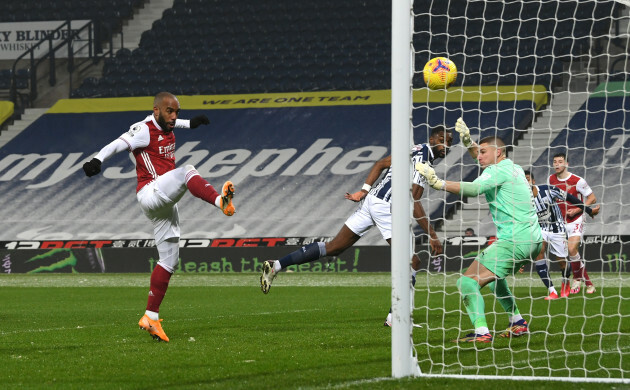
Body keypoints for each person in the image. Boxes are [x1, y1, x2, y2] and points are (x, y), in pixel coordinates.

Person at [260, 126, 453, 327]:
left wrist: (364, 191)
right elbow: (413, 199)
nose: (446, 145)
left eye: (449, 142)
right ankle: (396, 317)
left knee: (334, 246)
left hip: (371, 201)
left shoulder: (415, 149)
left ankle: (276, 265)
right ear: (432, 138)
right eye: (442, 139)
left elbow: (380, 164)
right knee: (412, 261)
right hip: (386, 206)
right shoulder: (423, 161)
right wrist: (432, 234)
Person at [82, 92, 235, 342]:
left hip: (164, 201)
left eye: (177, 112)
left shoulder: (169, 123)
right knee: (187, 171)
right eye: (169, 112)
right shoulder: (143, 129)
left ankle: (150, 317)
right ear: (156, 111)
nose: (174, 116)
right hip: (151, 191)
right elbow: (118, 143)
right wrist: (97, 159)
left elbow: (174, 123)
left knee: (169, 261)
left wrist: (191, 123)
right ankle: (221, 201)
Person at [416, 117, 542, 343]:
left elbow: (474, 189)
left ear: (499, 153)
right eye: (479, 152)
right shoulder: (512, 167)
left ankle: (482, 333)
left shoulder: (497, 171)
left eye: (484, 152)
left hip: (514, 240)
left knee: (466, 282)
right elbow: (482, 155)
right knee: (494, 278)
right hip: (532, 239)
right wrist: (468, 142)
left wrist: (438, 183)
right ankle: (517, 322)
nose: (479, 156)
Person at [524, 170, 599, 299]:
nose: (525, 182)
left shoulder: (548, 190)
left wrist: (588, 210)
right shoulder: (522, 201)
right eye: (523, 180)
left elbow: (570, 198)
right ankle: (552, 291)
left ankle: (565, 282)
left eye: (528, 179)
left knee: (562, 262)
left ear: (533, 181)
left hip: (557, 228)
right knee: (539, 251)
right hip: (540, 228)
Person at [548, 152, 598, 294]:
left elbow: (592, 198)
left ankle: (579, 279)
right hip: (560, 221)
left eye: (560, 161)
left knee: (571, 250)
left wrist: (577, 209)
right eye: (555, 162)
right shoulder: (551, 179)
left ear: (566, 164)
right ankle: (586, 282)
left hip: (576, 219)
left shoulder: (577, 180)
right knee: (568, 254)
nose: (557, 164)